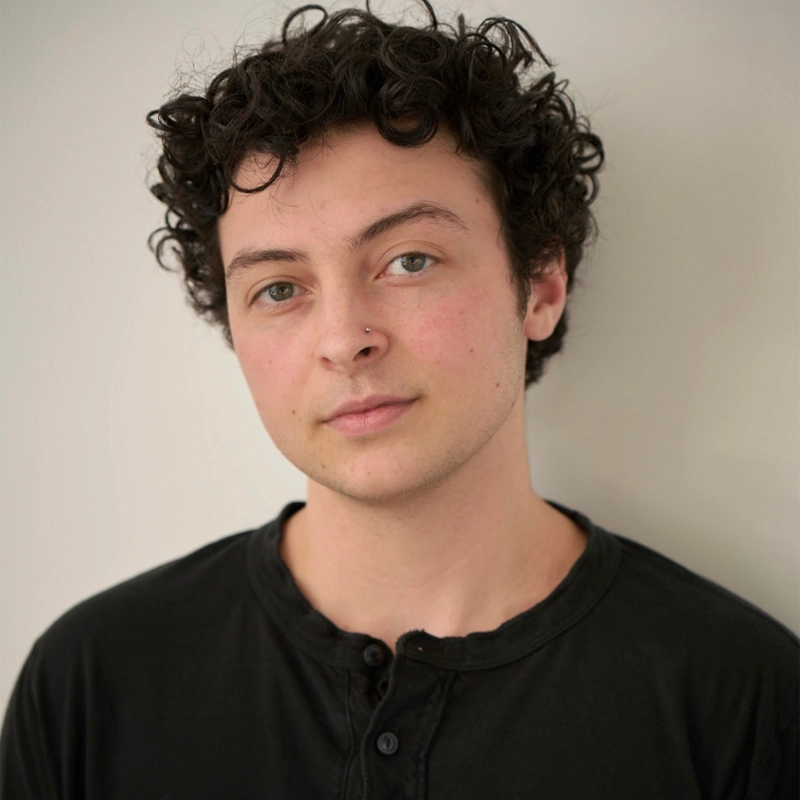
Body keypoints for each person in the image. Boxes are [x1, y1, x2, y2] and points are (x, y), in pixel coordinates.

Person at [2, 2, 797, 797]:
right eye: (280, 288)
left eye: (409, 261)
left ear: (542, 286)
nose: (344, 338)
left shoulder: (742, 701)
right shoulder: (91, 685)